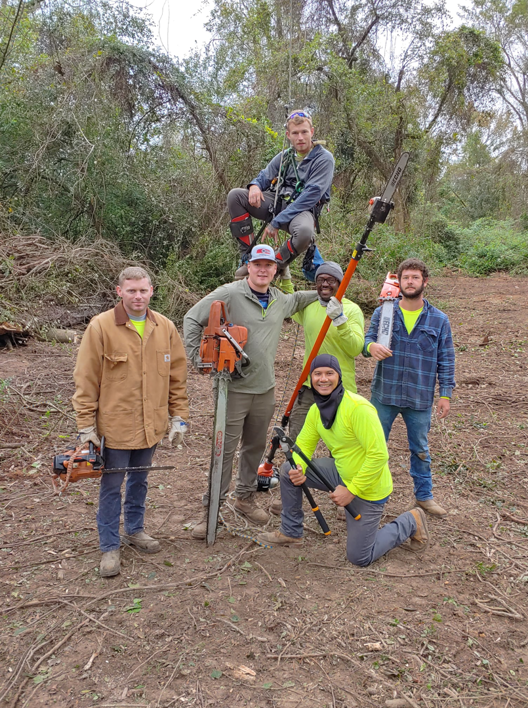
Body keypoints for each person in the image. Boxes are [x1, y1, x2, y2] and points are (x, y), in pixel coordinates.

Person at [183, 244, 318, 539]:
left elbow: (301, 298)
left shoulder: (280, 300)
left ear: (275, 270)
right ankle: (211, 512)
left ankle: (245, 498)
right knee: (223, 452)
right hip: (231, 390)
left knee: (254, 448)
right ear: (249, 266)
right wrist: (198, 359)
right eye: (257, 264)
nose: (263, 269)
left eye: (269, 265)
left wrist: (329, 290)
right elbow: (192, 318)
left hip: (264, 389)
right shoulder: (230, 293)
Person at [257, 355, 429, 565]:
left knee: (359, 557)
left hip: (368, 487)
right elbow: (302, 448)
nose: (323, 379)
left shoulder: (358, 409)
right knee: (287, 469)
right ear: (311, 378)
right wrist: (298, 467)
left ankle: (411, 521)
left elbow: (379, 455)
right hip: (340, 472)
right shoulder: (315, 410)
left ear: (339, 377)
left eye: (329, 373)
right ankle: (291, 532)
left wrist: (351, 490)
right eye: (317, 374)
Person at [72, 266, 189, 578]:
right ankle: (109, 545)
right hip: (115, 428)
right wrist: (86, 426)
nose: (138, 296)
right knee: (112, 486)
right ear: (119, 291)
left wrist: (179, 417)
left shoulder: (164, 327)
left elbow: (177, 379)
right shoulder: (100, 328)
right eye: (131, 290)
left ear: (151, 291)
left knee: (140, 481)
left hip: (151, 425)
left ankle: (135, 530)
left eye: (143, 290)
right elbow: (85, 382)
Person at [270, 261, 364, 517]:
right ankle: (292, 500)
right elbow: (291, 303)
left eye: (330, 280)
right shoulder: (310, 306)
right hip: (309, 389)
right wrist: (285, 274)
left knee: (343, 449)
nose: (324, 283)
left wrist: (340, 320)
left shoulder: (352, 310)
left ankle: (351, 496)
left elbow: (356, 348)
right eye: (320, 279)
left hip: (341, 394)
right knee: (297, 445)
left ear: (340, 283)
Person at [364, 258, 455, 516]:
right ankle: (366, 494)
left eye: (415, 277)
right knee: (374, 445)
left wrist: (445, 394)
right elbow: (367, 341)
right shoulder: (384, 312)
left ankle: (424, 496)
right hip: (385, 393)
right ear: (399, 282)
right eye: (406, 278)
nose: (410, 282)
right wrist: (371, 347)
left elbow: (446, 359)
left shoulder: (439, 320)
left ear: (424, 282)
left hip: (420, 397)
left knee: (421, 448)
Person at [227, 110, 335, 279]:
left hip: (302, 210)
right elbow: (264, 176)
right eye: (295, 133)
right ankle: (247, 258)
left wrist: (277, 222)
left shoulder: (324, 159)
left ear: (312, 132)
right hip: (276, 203)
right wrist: (255, 186)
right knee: (236, 196)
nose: (300, 137)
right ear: (288, 135)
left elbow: (311, 195)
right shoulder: (285, 155)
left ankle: (275, 263)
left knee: (305, 232)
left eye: (304, 132)